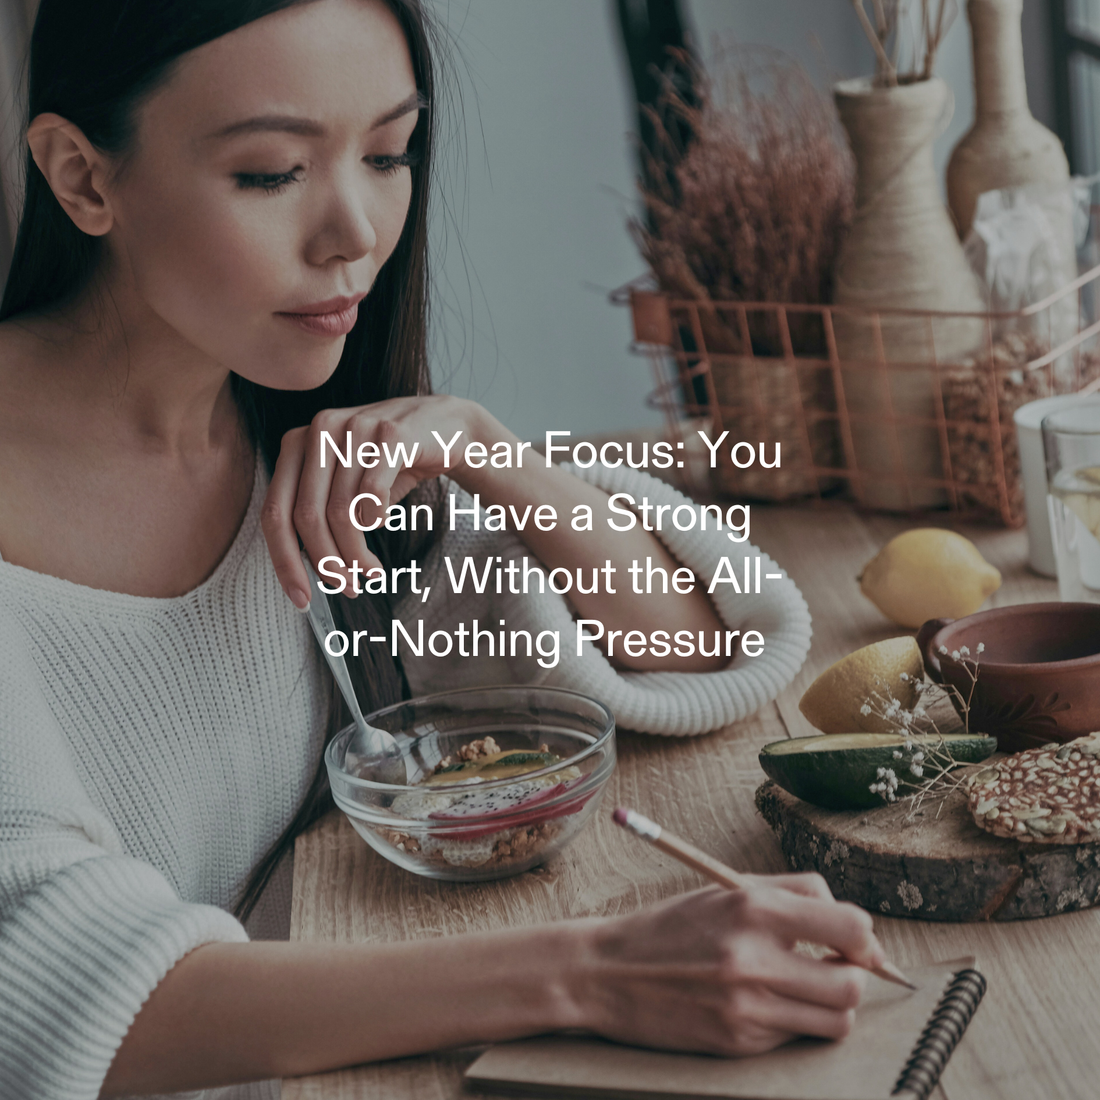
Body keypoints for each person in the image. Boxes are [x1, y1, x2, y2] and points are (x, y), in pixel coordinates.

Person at [0, 1, 885, 1097]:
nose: (355, 232)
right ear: (82, 177)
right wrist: (596, 967)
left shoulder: (297, 443)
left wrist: (485, 448)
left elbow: (688, 649)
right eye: (271, 172)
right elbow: (59, 991)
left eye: (387, 152)